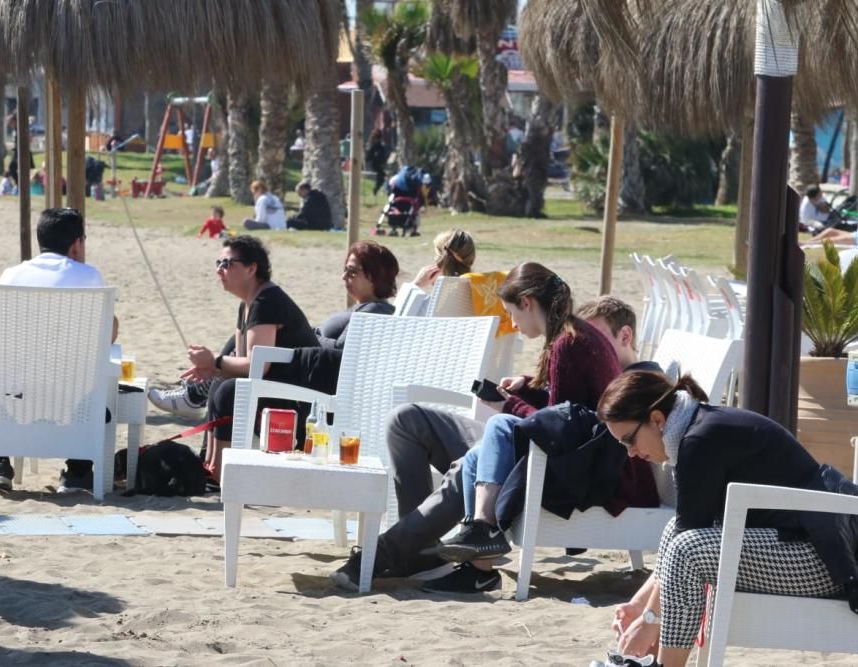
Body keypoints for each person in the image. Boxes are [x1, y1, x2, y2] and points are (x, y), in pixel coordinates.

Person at [329, 293, 654, 594]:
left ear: (624, 336)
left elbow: (565, 434)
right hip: (515, 439)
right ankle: (422, 552)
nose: (591, 346)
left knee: (473, 461)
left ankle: (392, 550)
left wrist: (510, 406)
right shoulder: (588, 357)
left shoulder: (634, 383)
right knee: (405, 420)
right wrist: (527, 387)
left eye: (595, 337)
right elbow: (558, 410)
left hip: (538, 457)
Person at [595, 371, 858, 667]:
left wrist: (649, 620)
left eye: (630, 440)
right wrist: (639, 605)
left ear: (657, 420)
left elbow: (686, 547)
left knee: (688, 552)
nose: (630, 453)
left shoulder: (699, 441)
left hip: (825, 562)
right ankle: (649, 660)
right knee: (676, 535)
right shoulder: (697, 426)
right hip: (812, 544)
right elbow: (683, 531)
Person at [434, 265, 627, 567]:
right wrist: (528, 388)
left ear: (527, 302)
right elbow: (566, 408)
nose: (512, 323)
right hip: (596, 454)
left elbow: (559, 430)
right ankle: (479, 565)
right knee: (476, 457)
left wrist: (509, 406)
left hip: (596, 469)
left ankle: (484, 528)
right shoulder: (572, 333)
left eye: (512, 312)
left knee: (499, 423)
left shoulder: (568, 343)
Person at [151, 236, 317, 480]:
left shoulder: (267, 301)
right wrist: (214, 370)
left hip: (303, 401)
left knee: (228, 391)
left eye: (228, 263)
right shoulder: (248, 303)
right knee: (221, 384)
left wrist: (216, 361)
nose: (220, 270)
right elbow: (241, 364)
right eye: (218, 262)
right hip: (279, 386)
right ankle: (209, 466)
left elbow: (257, 365)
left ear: (251, 268)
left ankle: (221, 474)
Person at [0, 208, 119, 493]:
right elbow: (106, 335)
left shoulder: (11, 276)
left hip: (13, 396)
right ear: (76, 244)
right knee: (95, 398)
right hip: (68, 398)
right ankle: (77, 472)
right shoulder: (88, 276)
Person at [313, 241, 398, 350]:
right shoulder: (367, 306)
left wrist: (307, 336)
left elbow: (341, 349)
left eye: (352, 271)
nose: (343, 276)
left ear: (374, 277)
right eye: (345, 269)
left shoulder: (375, 310)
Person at [411, 229, 476, 293]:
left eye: (436, 254)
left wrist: (416, 284)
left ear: (442, 259)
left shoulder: (438, 299)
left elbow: (402, 303)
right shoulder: (480, 289)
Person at [365, 129, 389, 196]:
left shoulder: (380, 146)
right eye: (378, 139)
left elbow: (382, 156)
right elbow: (368, 157)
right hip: (373, 165)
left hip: (378, 165)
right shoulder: (372, 145)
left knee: (383, 176)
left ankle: (379, 190)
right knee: (382, 176)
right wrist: (375, 156)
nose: (379, 140)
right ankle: (376, 190)